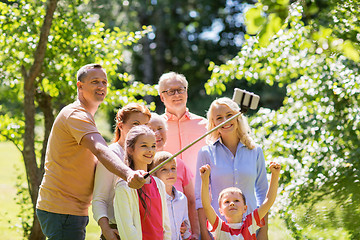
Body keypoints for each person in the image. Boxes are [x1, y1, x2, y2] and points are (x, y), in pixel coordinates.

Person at [36, 64, 146, 240]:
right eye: (95, 82)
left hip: (73, 210)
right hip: (62, 209)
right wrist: (128, 174)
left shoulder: (86, 116)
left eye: (104, 82)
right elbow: (100, 149)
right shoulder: (76, 115)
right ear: (80, 86)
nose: (101, 86)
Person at [194, 97, 269, 240]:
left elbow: (263, 192)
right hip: (220, 230)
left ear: (238, 116)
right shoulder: (205, 153)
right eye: (219, 118)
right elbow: (200, 197)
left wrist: (264, 230)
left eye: (229, 115)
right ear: (213, 123)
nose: (225, 121)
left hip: (252, 228)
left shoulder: (255, 151)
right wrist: (204, 232)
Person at [92, 103, 151, 240]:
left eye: (145, 125)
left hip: (144, 229)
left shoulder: (147, 154)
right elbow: (99, 199)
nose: (141, 130)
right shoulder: (111, 154)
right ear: (120, 125)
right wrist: (106, 230)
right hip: (117, 230)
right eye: (135, 124)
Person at [113, 125, 171, 239]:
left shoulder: (159, 184)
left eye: (153, 146)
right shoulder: (123, 187)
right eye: (144, 145)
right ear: (130, 149)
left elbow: (166, 224)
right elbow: (127, 229)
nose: (150, 150)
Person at [149, 112, 200, 239]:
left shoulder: (179, 164)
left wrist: (195, 233)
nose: (156, 134)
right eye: (151, 130)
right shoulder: (142, 167)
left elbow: (191, 201)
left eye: (160, 129)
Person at [199, 162, 281, 239]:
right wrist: (204, 179)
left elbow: (269, 201)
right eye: (227, 202)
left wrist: (275, 175)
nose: (232, 203)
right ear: (220, 211)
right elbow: (206, 206)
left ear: (245, 208)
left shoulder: (250, 223)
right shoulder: (219, 227)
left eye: (236, 200)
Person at [158, 72, 207, 177]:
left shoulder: (205, 125)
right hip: (167, 191)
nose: (177, 94)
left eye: (180, 90)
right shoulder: (154, 127)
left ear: (186, 93)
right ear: (162, 97)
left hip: (201, 190)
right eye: (171, 91)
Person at [150, 151, 192, 240]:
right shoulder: (153, 199)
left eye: (173, 168)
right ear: (153, 174)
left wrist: (184, 229)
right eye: (164, 169)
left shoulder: (182, 198)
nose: (170, 172)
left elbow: (185, 227)